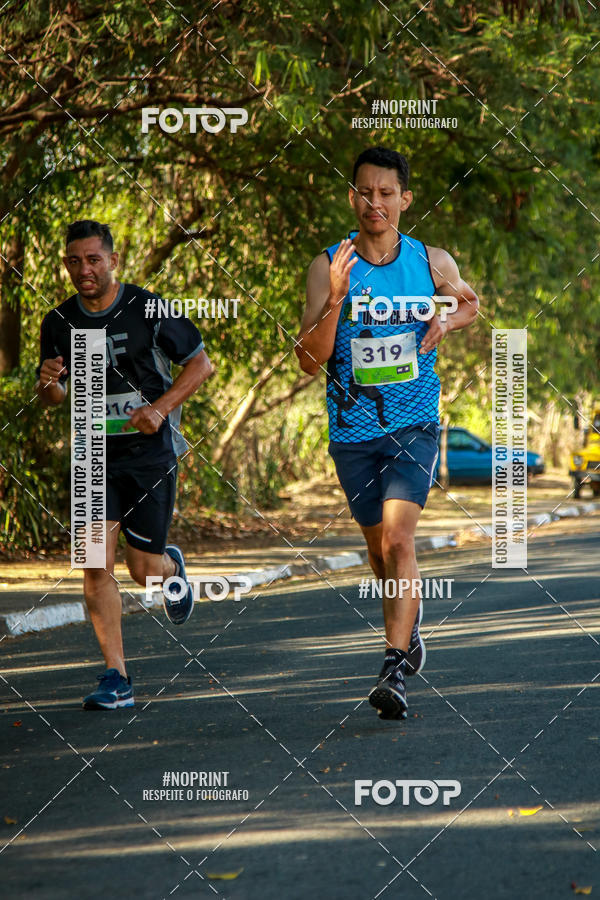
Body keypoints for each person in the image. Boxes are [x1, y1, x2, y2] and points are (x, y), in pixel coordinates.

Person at [296, 147, 479, 720]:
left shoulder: (430, 261)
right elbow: (308, 359)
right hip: (352, 429)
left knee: (400, 542)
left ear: (405, 199)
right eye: (364, 192)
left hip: (415, 421)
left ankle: (394, 666)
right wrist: (335, 300)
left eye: (385, 193)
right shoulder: (328, 264)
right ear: (351, 197)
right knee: (378, 550)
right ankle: (411, 624)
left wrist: (445, 318)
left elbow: (470, 304)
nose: (374, 202)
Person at [36, 220, 213, 710]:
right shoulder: (58, 322)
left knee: (140, 571)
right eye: (75, 261)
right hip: (94, 454)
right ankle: (116, 676)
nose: (84, 269)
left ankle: (169, 564)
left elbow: (201, 364)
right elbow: (53, 395)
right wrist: (49, 381)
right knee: (94, 564)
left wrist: (159, 409)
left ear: (113, 261)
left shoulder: (149, 308)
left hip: (149, 454)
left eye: (94, 259)